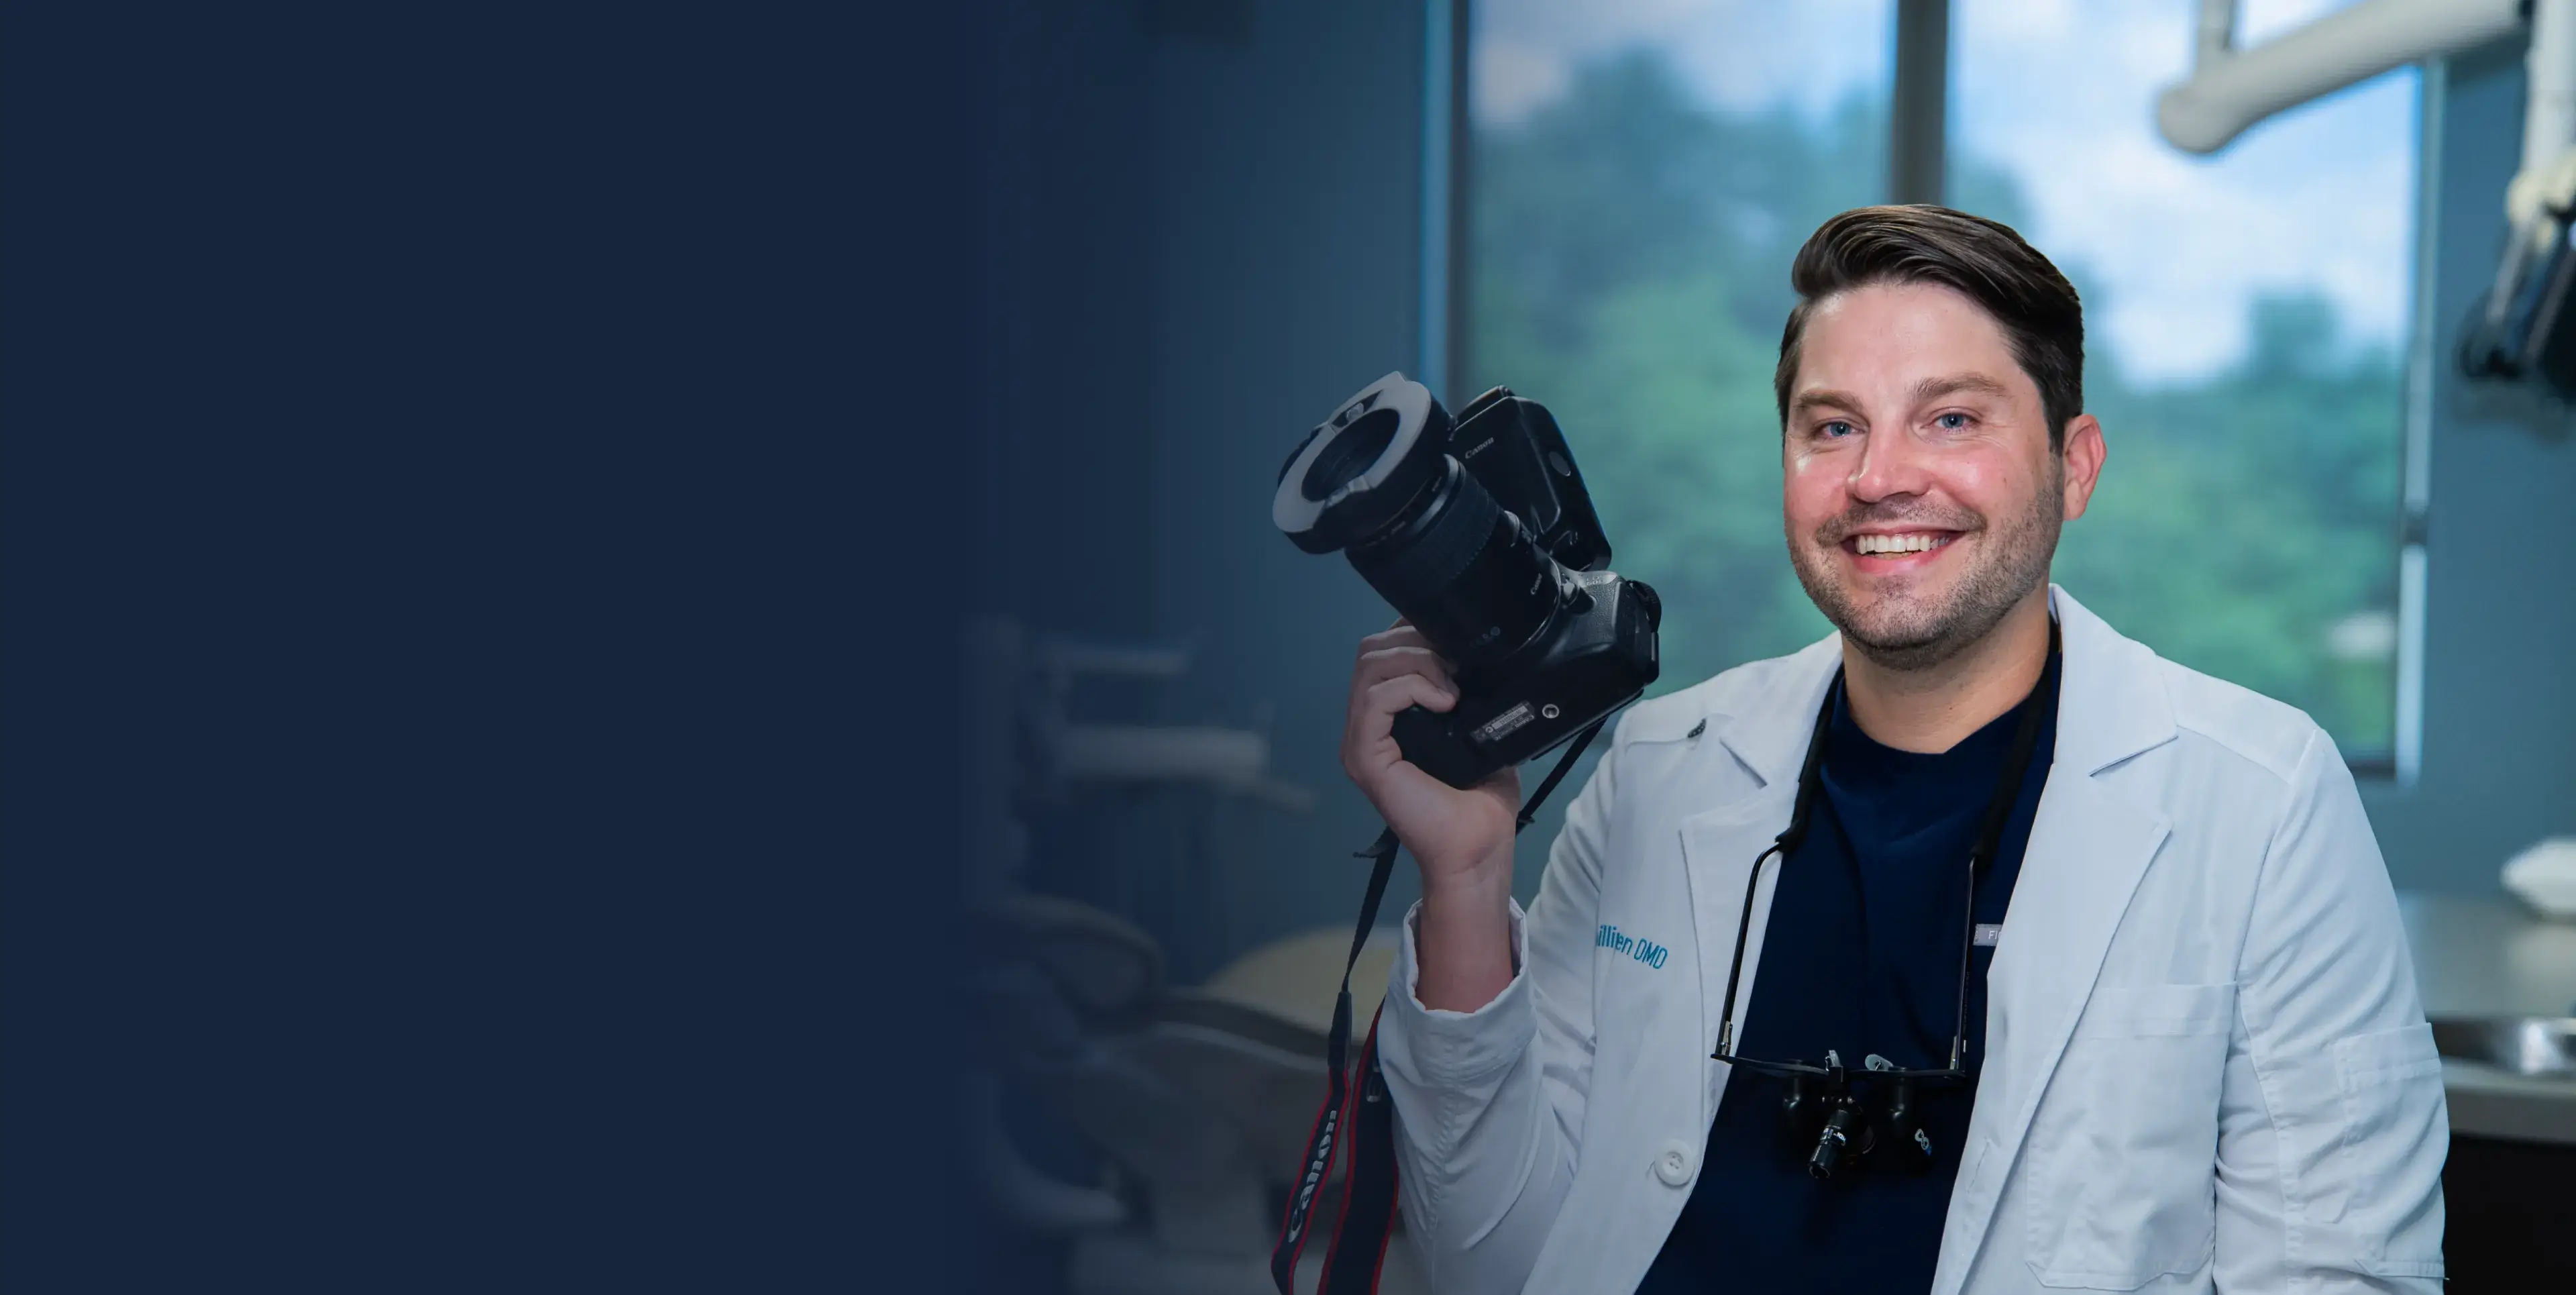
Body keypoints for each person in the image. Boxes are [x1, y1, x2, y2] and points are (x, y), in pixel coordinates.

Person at [1338, 205, 2446, 1295]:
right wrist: (1468, 877)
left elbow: (2340, 1273)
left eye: (1950, 418)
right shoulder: (1659, 767)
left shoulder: (2261, 802)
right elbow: (1493, 1262)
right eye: (1833, 427)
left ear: (2073, 466)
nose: (1879, 478)